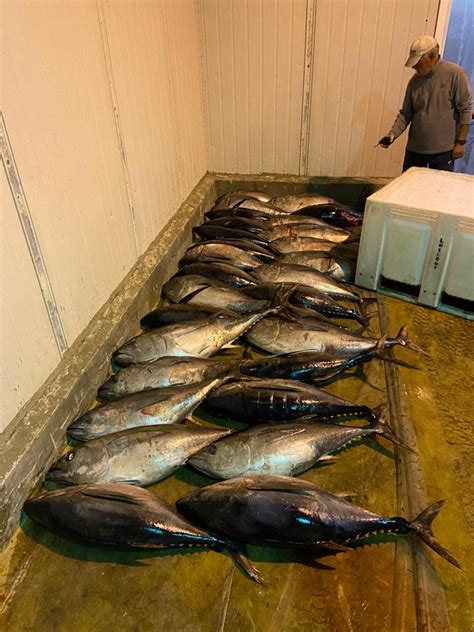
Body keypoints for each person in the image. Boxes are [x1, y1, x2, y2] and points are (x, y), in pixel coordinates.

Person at [378, 35, 472, 172]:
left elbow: (467, 108)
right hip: (415, 150)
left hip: (443, 151)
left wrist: (460, 142)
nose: (414, 67)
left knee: (438, 190)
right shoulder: (414, 81)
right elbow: (406, 114)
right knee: (410, 189)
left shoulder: (455, 74)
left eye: (418, 63)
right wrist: (392, 134)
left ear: (432, 57)